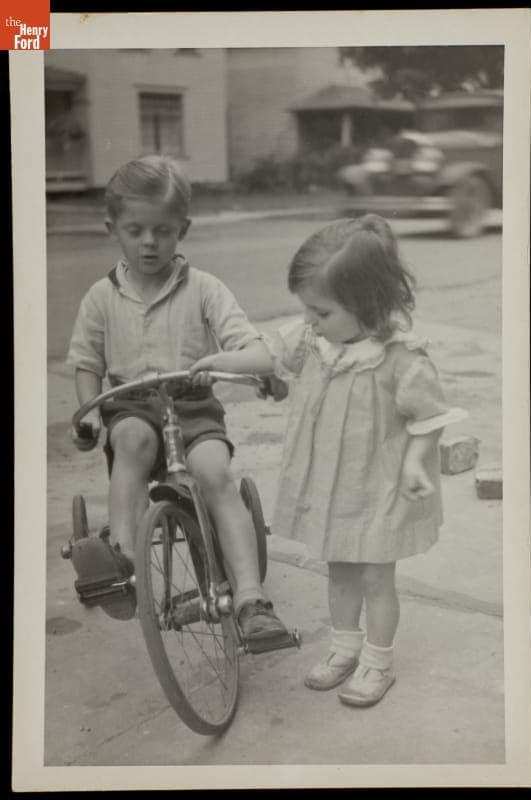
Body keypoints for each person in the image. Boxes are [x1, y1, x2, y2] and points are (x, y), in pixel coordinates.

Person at [190, 213, 467, 708]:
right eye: (307, 310)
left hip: (381, 489)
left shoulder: (400, 359)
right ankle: (345, 649)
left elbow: (430, 418)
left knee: (376, 577)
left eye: (320, 311)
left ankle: (378, 662)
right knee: (339, 571)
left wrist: (416, 462)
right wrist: (221, 362)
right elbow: (268, 355)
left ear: (368, 305)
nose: (309, 320)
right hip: (335, 487)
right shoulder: (314, 341)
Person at [68, 154, 288, 640]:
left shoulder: (205, 289)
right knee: (131, 441)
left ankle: (252, 600)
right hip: (131, 404)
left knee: (215, 474)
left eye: (163, 231)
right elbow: (86, 362)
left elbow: (249, 346)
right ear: (113, 229)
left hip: (192, 406)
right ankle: (122, 562)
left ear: (182, 230)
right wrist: (91, 414)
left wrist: (248, 366)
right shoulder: (101, 298)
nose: (149, 242)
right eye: (135, 230)